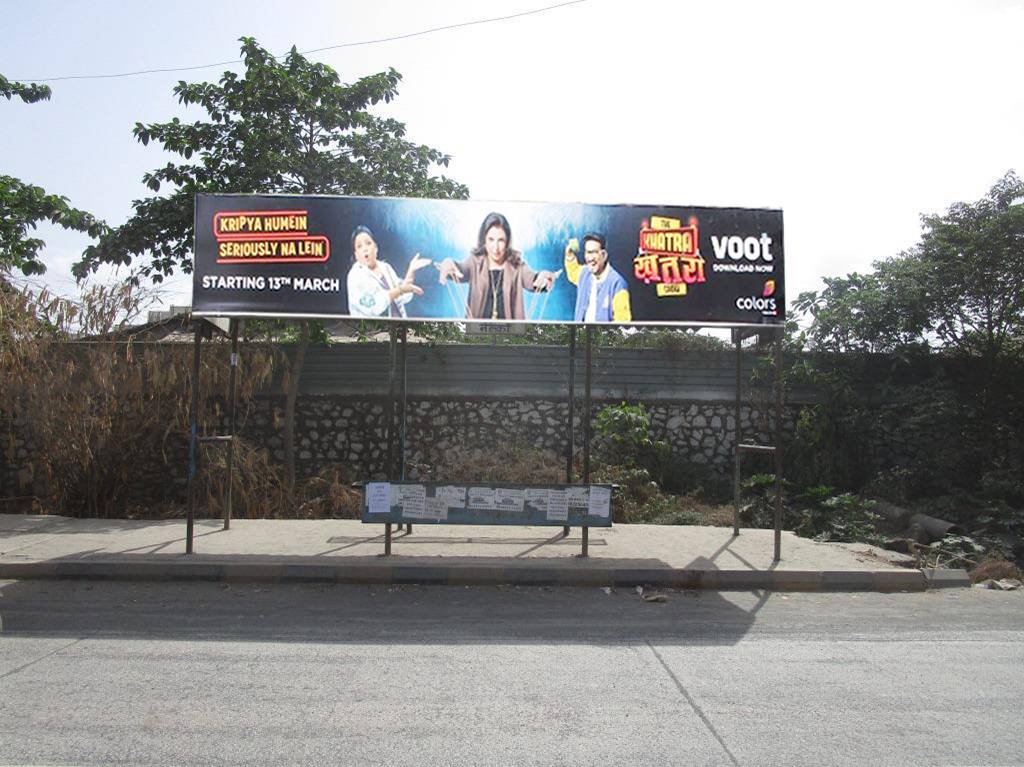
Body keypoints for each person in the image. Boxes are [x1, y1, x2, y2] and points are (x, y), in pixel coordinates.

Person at [437, 212, 557, 320]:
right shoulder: (474, 262)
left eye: (501, 240)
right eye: (491, 239)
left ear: (507, 241)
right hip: (477, 336)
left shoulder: (517, 265)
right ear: (484, 240)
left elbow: (532, 279)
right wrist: (449, 263)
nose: (495, 247)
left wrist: (542, 277)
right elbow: (460, 270)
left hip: (510, 337)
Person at [347, 225, 430, 318]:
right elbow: (374, 306)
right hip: (372, 331)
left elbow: (401, 295)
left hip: (399, 328)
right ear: (356, 255)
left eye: (368, 243)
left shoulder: (386, 268)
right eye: (359, 246)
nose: (365, 249)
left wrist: (411, 270)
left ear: (376, 248)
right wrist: (400, 290)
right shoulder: (355, 276)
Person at [563, 232, 632, 322]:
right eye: (587, 252)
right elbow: (573, 271)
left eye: (594, 253)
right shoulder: (584, 273)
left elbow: (622, 322)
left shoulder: (617, 284)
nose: (590, 258)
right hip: (581, 334)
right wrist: (569, 255)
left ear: (604, 255)